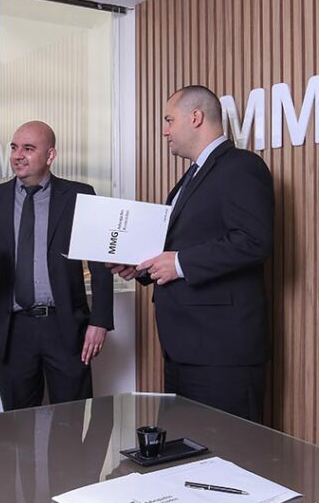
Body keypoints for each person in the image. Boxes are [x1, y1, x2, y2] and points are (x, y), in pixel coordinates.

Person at [110, 86, 274, 422]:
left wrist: (180, 264)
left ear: (195, 117)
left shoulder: (242, 167)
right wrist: (140, 266)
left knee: (231, 457)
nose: (165, 130)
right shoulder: (192, 176)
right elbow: (181, 243)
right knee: (187, 454)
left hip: (222, 352)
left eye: (169, 120)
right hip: (184, 349)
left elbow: (253, 241)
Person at [0, 121, 114, 410]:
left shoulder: (81, 196)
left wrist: (100, 321)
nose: (18, 155)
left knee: (74, 419)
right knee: (17, 426)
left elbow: (100, 265)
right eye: (14, 147)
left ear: (50, 155)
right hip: (10, 331)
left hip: (66, 327)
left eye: (29, 149)